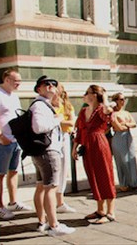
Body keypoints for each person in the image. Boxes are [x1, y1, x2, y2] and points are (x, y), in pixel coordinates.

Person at [31, 76, 75, 235]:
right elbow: (38, 127)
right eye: (46, 84)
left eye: (53, 84)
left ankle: (43, 221)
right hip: (48, 150)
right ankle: (54, 225)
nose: (50, 86)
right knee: (50, 187)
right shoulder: (40, 106)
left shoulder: (43, 104)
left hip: (41, 150)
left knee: (42, 186)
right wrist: (57, 119)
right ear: (39, 89)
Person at [0, 69, 32, 220]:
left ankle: (13, 201)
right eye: (16, 81)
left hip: (15, 140)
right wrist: (1, 137)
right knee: (0, 174)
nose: (18, 84)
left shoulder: (14, 96)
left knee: (13, 171)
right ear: (6, 79)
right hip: (1, 142)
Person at [72, 85, 116, 224]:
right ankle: (100, 209)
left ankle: (110, 212)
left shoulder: (102, 109)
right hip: (87, 145)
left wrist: (105, 99)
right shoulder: (84, 111)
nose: (85, 95)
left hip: (100, 143)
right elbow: (79, 130)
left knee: (105, 175)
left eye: (88, 93)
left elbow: (109, 116)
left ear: (96, 95)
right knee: (93, 176)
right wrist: (75, 147)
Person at [50, 84, 76, 213]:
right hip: (51, 139)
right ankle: (51, 201)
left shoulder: (67, 106)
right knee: (53, 170)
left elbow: (71, 123)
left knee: (64, 168)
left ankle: (60, 201)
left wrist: (56, 120)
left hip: (64, 137)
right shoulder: (46, 104)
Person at [111, 93, 137, 191]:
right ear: (116, 101)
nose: (123, 101)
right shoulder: (113, 114)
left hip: (128, 136)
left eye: (124, 99)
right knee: (122, 160)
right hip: (118, 138)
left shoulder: (126, 113)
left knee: (131, 158)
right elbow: (118, 127)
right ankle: (123, 184)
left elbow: (134, 123)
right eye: (120, 99)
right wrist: (125, 125)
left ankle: (135, 182)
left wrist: (126, 124)